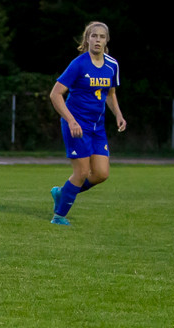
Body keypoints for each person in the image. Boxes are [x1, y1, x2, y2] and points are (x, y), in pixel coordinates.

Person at [49, 21, 126, 226]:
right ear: (87, 39)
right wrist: (71, 121)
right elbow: (55, 94)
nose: (97, 40)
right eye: (94, 36)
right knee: (82, 173)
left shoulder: (112, 65)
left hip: (97, 127)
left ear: (107, 40)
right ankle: (59, 216)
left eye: (102, 36)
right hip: (76, 125)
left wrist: (118, 114)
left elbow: (110, 93)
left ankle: (63, 192)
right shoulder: (79, 64)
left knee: (101, 174)